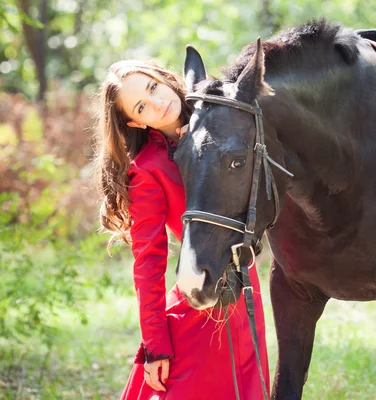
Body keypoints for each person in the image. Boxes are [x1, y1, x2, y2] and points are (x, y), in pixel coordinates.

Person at [93, 59, 270, 400]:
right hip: (200, 300)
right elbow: (148, 261)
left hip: (245, 288)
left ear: (164, 78)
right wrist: (155, 345)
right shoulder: (147, 171)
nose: (158, 102)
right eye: (142, 106)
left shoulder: (223, 120)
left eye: (153, 87)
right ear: (135, 122)